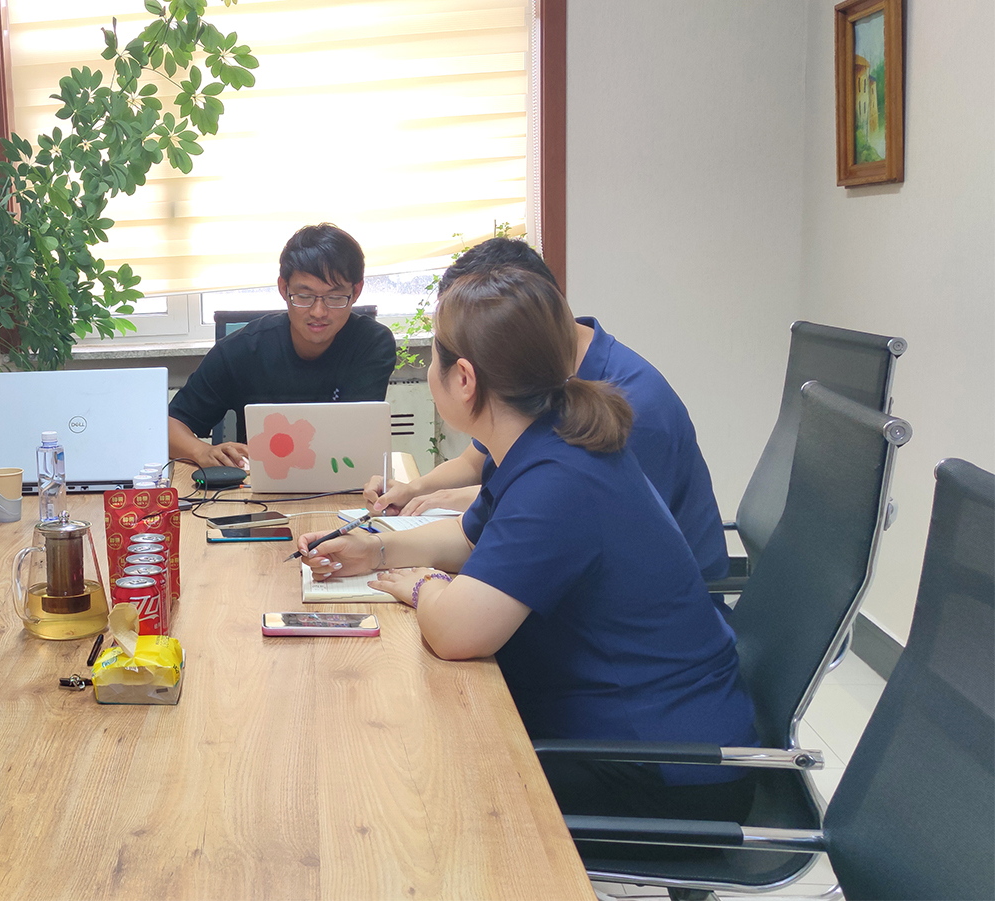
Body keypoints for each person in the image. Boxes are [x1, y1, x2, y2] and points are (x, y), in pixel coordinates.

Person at [301, 267, 758, 825]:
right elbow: (471, 536)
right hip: (627, 724)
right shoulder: (547, 435)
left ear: (463, 379)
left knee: (406, 784)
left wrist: (423, 586)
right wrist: (375, 549)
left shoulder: (559, 478)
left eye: (434, 359)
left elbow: (457, 633)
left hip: (663, 765)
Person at [367, 238, 727, 582]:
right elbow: (475, 464)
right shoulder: (525, 378)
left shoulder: (631, 406)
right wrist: (415, 489)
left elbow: (572, 514)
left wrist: (428, 577)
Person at [168, 224, 396, 469]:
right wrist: (201, 451)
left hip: (342, 478)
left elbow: (358, 440)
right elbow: (169, 425)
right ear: (283, 288)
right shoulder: (242, 349)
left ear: (357, 291)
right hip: (258, 482)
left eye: (334, 297)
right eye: (304, 296)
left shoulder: (372, 344)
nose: (318, 312)